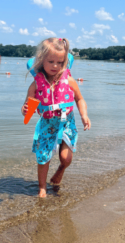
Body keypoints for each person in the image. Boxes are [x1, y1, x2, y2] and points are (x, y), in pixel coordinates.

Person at [21, 37, 91, 198]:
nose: (55, 66)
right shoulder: (36, 84)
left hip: (67, 123)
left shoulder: (69, 80)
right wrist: (25, 109)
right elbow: (28, 109)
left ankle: (61, 169)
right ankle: (42, 188)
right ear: (41, 61)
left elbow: (79, 99)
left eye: (60, 62)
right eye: (51, 61)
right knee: (43, 158)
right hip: (47, 124)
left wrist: (84, 115)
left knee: (66, 158)